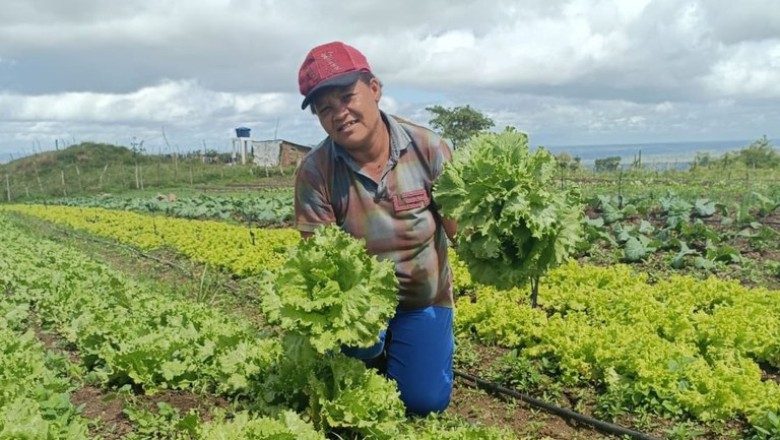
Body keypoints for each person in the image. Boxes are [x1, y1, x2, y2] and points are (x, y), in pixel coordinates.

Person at [294, 41, 458, 416]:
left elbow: (460, 229)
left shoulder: (429, 149)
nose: (340, 114)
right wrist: (356, 314)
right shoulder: (316, 171)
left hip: (423, 301)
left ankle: (419, 348)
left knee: (424, 402)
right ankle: (372, 352)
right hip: (361, 309)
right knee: (358, 362)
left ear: (374, 88)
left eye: (348, 97)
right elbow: (319, 264)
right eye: (325, 109)